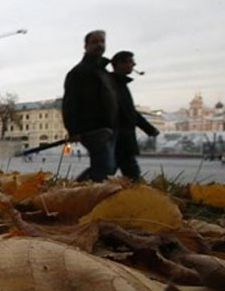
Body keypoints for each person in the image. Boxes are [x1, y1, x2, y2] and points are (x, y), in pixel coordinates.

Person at [62, 30, 119, 182]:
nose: (99, 45)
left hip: (109, 127)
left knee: (108, 167)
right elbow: (69, 102)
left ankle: (75, 189)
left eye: (102, 41)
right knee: (105, 167)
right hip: (92, 128)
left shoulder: (104, 72)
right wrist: (72, 129)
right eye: (95, 42)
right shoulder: (78, 72)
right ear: (86, 46)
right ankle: (75, 191)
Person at [110, 51, 160, 180]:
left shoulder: (118, 83)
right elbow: (128, 112)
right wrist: (149, 129)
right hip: (119, 136)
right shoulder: (113, 84)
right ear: (120, 63)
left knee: (107, 170)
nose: (134, 64)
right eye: (131, 61)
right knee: (127, 171)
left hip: (119, 137)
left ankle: (77, 189)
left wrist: (149, 128)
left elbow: (130, 111)